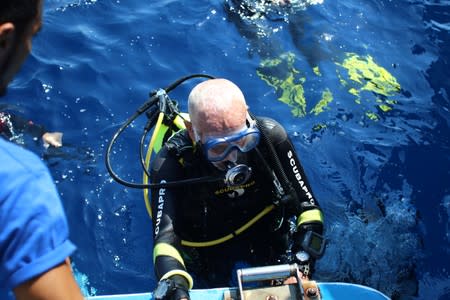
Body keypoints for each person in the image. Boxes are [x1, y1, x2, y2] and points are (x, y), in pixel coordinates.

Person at [150, 78, 325, 299]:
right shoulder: (171, 163)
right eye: (219, 148)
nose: (232, 157)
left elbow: (309, 209)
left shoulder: (271, 136)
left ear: (247, 117)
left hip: (265, 231)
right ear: (193, 133)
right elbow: (164, 240)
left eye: (244, 141)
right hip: (208, 244)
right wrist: (176, 284)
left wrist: (301, 264)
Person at [0, 0, 84, 299]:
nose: (30, 51)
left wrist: (40, 132)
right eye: (31, 36)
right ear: (5, 40)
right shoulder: (20, 184)